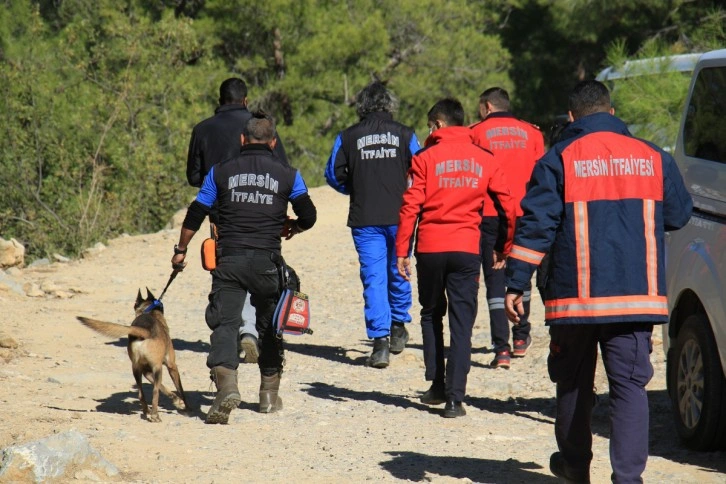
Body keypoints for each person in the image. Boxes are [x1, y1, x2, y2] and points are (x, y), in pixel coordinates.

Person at [504, 80, 692, 482]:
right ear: (611, 111)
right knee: (629, 389)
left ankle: (575, 467)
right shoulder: (653, 156)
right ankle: (628, 479)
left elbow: (537, 225)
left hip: (576, 299)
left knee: (573, 384)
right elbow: (678, 214)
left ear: (572, 117)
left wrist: (516, 282)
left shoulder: (559, 159)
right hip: (635, 296)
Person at [173, 111, 317, 423]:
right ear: (274, 142)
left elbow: (196, 211)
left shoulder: (220, 171)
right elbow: (309, 214)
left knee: (225, 323)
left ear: (242, 140)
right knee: (268, 326)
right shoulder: (288, 174)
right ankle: (267, 395)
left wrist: (181, 249)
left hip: (230, 260)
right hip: (267, 262)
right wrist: (293, 227)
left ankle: (226, 387)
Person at [396, 98, 516, 417]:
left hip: (431, 248)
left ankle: (436, 384)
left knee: (431, 313)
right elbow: (508, 206)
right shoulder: (484, 158)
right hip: (466, 248)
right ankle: (455, 399)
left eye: (429, 125)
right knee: (462, 321)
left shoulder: (423, 158)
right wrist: (505, 245)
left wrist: (401, 251)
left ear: (438, 124)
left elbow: (410, 207)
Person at [186, 77, 290, 364]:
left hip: (221, 214)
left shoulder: (202, 129)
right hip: (263, 212)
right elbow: (282, 168)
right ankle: (250, 330)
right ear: (246, 100)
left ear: (220, 100)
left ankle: (236, 332)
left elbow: (194, 177)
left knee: (228, 272)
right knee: (259, 267)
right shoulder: (262, 126)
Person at [325, 81, 421, 368]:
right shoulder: (406, 134)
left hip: (365, 217)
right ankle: (398, 327)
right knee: (400, 269)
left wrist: (354, 189)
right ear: (389, 105)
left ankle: (380, 343)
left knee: (373, 278)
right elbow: (421, 171)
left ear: (362, 106)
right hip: (402, 216)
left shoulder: (348, 136)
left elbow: (333, 174)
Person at [470, 87, 545, 369]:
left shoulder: (475, 132)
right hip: (526, 212)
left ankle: (501, 349)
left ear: (487, 106)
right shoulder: (533, 133)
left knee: (494, 279)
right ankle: (521, 338)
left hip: (490, 213)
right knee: (522, 274)